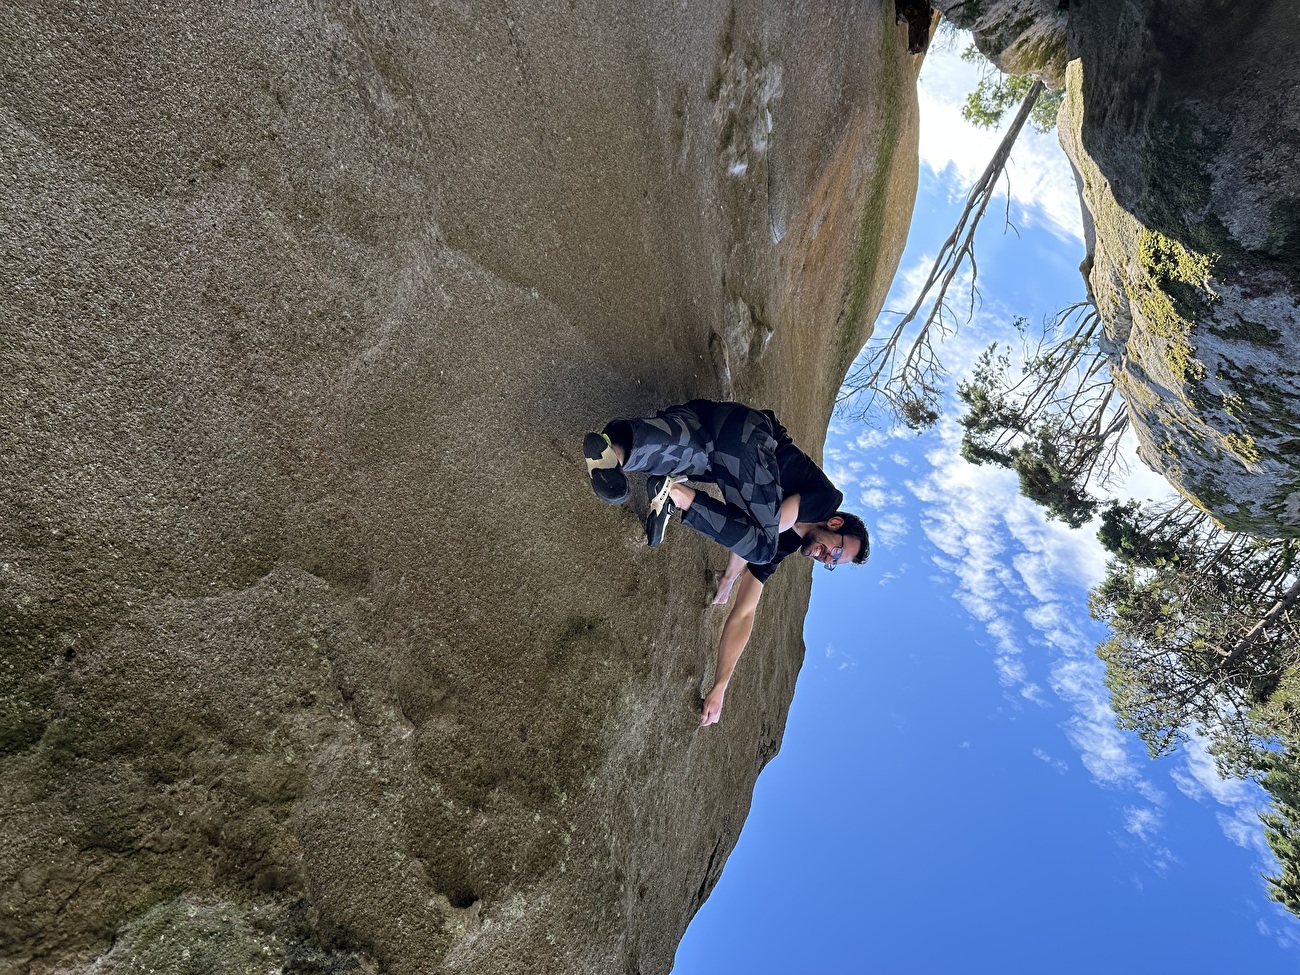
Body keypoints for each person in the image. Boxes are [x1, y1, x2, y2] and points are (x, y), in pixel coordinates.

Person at [584, 399, 869, 726]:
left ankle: (611, 454)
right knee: (761, 546)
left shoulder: (785, 542)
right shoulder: (825, 500)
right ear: (835, 525)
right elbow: (769, 526)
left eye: (833, 563)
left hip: (711, 437)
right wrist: (734, 571)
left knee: (671, 451)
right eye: (835, 552)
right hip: (750, 435)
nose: (825, 558)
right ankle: (676, 495)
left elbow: (745, 612)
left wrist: (720, 685)